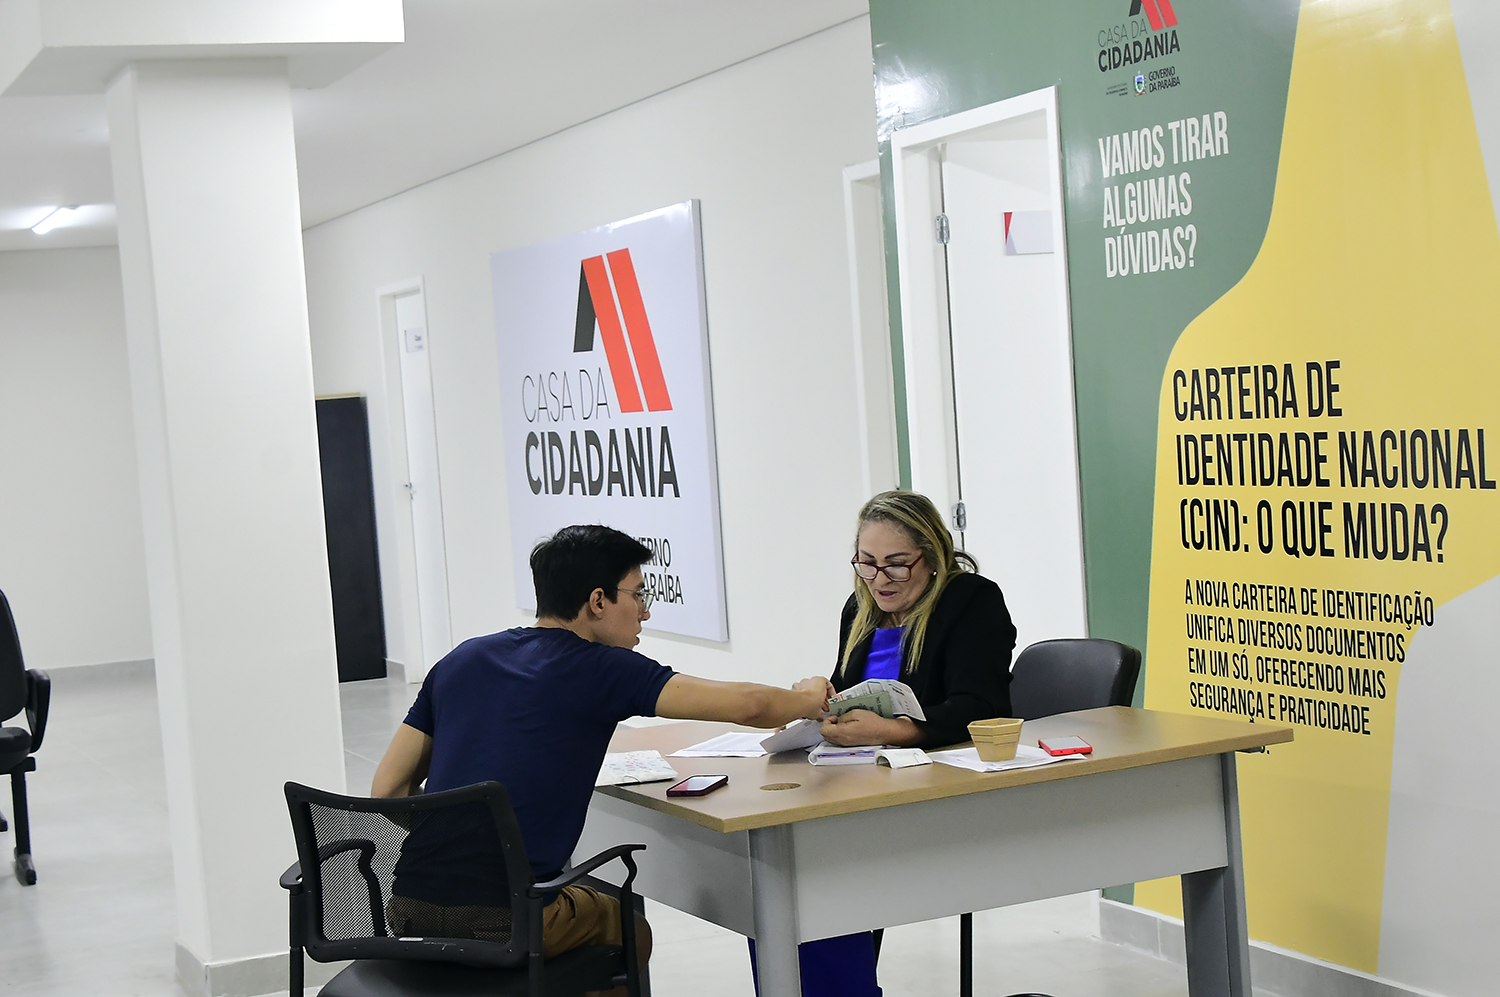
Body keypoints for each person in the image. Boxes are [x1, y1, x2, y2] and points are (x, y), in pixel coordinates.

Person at [372, 524, 831, 985]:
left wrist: (467, 838)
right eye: (638, 594)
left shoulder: (461, 660)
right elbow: (749, 705)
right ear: (598, 601)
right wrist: (811, 697)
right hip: (507, 918)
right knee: (628, 931)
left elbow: (389, 788)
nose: (645, 612)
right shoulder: (603, 669)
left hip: (409, 909)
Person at [750, 490, 1017, 997]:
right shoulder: (861, 605)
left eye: (896, 565)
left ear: (933, 556)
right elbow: (847, 690)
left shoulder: (971, 601)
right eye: (867, 565)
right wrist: (818, 705)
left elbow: (981, 708)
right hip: (859, 781)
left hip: (934, 789)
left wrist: (896, 731)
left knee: (815, 879)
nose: (880, 580)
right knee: (782, 880)